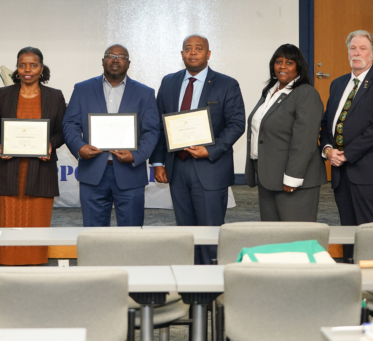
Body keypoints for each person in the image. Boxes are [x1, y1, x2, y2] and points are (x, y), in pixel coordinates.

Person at [151, 34, 245, 264]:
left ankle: (212, 286)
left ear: (208, 54)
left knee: (210, 232)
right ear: (182, 54)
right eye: (188, 48)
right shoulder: (169, 82)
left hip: (210, 167)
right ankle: (191, 286)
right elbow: (159, 125)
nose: (192, 52)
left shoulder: (226, 84)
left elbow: (237, 124)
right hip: (177, 167)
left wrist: (211, 151)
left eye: (198, 48)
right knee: (186, 232)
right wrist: (158, 162)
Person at [62, 44, 160, 227]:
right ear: (102, 61)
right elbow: (70, 124)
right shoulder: (82, 89)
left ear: (128, 63)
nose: (115, 60)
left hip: (130, 171)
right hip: (93, 171)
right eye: (110, 55)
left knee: (131, 233)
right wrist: (79, 147)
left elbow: (152, 130)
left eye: (121, 57)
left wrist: (136, 155)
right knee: (94, 233)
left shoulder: (145, 93)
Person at [320, 30, 373, 257]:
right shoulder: (337, 84)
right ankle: (351, 278)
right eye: (352, 48)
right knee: (348, 232)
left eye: (363, 49)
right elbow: (326, 124)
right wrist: (327, 150)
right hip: (341, 173)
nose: (357, 53)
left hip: (370, 172)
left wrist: (346, 153)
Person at [0, 47, 66, 265]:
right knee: (11, 219)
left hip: (41, 170)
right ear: (17, 69)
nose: (27, 70)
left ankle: (37, 263)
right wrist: (0, 146)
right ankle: (9, 263)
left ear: (41, 69)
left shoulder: (55, 96)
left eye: (33, 65)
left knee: (38, 220)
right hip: (10, 169)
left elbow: (62, 132)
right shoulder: (4, 94)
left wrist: (50, 145)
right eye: (22, 65)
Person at [245, 44, 326, 222]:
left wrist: (293, 177)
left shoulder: (306, 94)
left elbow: (305, 140)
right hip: (268, 176)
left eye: (289, 62)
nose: (282, 66)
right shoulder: (270, 91)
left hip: (292, 179)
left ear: (299, 67)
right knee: (273, 235)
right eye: (278, 62)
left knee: (295, 237)